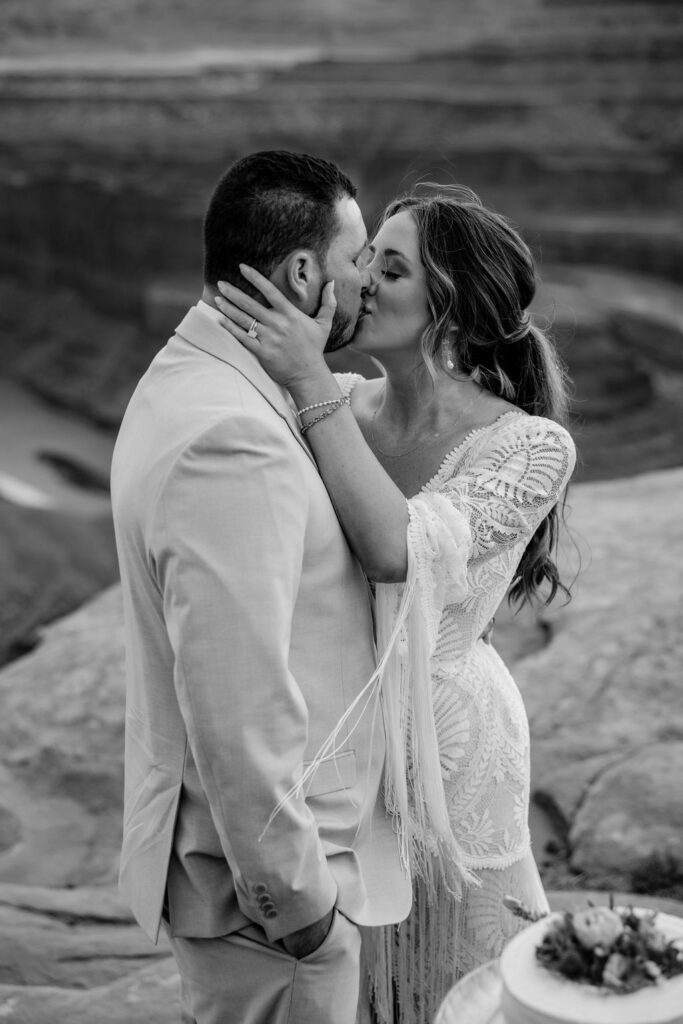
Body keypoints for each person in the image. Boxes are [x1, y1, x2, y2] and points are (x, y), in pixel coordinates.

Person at [213, 183, 577, 1024]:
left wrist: (304, 375)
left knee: (465, 990)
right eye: (365, 254)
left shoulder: (526, 445)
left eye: (393, 265)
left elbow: (394, 551)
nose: (363, 279)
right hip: (332, 744)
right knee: (347, 987)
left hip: (452, 757)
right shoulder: (333, 401)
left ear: (452, 310)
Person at [110, 150, 412, 1024]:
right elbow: (236, 714)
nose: (366, 283)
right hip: (265, 915)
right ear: (304, 271)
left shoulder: (194, 374)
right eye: (359, 260)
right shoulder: (229, 440)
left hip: (245, 896)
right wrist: (304, 913)